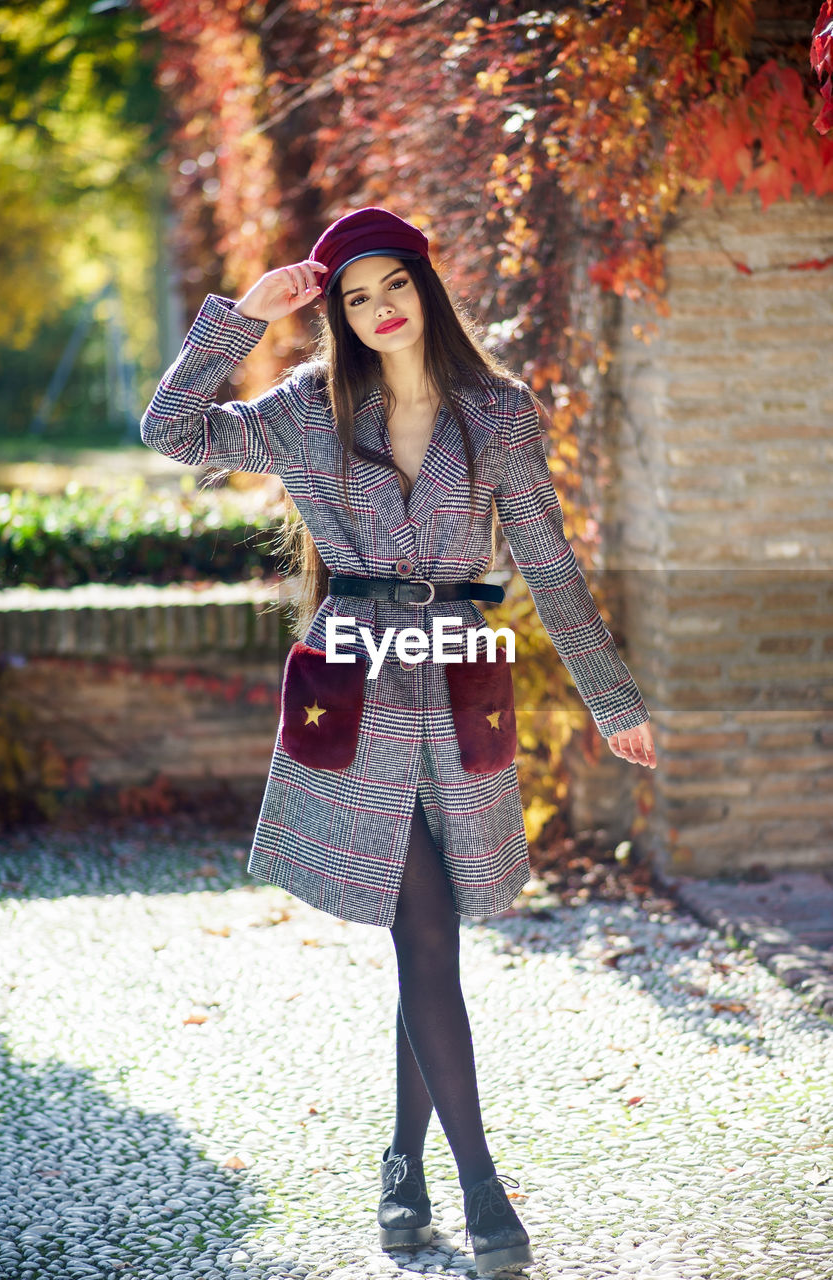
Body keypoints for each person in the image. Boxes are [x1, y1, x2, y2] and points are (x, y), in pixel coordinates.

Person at [140, 206, 657, 1277]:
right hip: (355, 690)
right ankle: (478, 1186)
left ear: (426, 285)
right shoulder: (306, 408)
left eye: (392, 286)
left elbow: (550, 567)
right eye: (353, 296)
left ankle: (402, 1168)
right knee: (421, 931)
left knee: (430, 938)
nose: (376, 311)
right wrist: (242, 316)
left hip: (459, 686)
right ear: (335, 310)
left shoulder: (498, 414)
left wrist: (613, 700)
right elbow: (172, 430)